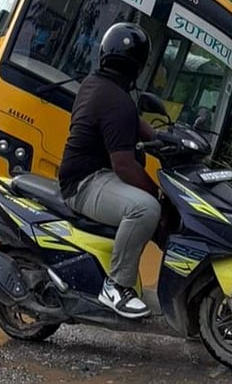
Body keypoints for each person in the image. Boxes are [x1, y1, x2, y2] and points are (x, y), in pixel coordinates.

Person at [58, 22, 161, 319]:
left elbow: (134, 124)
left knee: (146, 202)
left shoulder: (96, 84)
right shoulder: (117, 100)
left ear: (104, 53)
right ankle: (116, 286)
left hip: (88, 176)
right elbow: (124, 166)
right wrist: (157, 196)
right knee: (145, 208)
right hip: (85, 183)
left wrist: (167, 140)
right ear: (140, 65)